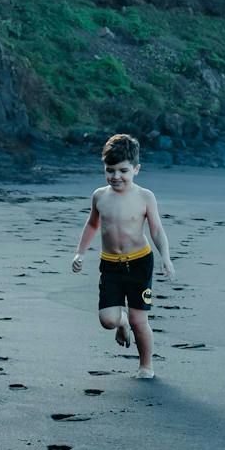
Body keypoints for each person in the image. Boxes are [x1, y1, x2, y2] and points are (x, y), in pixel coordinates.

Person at [72, 133, 175, 379]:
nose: (116, 176)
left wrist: (166, 258)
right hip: (110, 265)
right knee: (107, 320)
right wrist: (80, 253)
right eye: (110, 170)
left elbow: (157, 230)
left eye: (123, 171)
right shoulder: (99, 196)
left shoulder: (145, 197)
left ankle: (146, 365)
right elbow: (92, 225)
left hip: (139, 263)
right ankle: (121, 322)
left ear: (136, 169)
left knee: (140, 320)